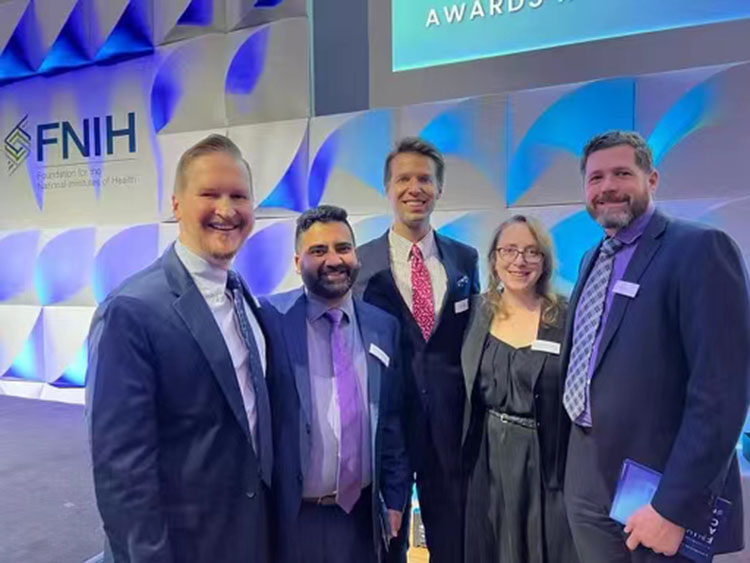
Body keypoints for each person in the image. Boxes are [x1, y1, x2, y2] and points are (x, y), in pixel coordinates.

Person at [561, 130, 750, 562]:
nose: (608, 187)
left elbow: (721, 393)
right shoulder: (592, 258)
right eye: (596, 178)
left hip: (655, 492)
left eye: (622, 173)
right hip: (585, 481)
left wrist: (673, 507)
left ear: (652, 179)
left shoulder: (700, 249)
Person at [86, 134, 272, 562]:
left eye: (239, 196)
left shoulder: (242, 296)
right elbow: (121, 471)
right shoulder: (130, 310)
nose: (226, 209)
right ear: (176, 205)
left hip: (249, 540)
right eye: (210, 194)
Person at [355, 137, 480, 563]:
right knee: (385, 543)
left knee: (453, 541)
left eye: (425, 179)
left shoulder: (465, 259)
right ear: (387, 188)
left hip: (449, 424)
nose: (415, 188)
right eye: (403, 179)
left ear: (439, 189)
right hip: (384, 425)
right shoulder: (360, 263)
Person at [263, 205, 410, 563]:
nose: (334, 259)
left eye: (343, 248)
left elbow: (393, 421)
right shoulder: (268, 320)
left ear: (355, 255)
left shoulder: (383, 326)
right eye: (318, 250)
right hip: (295, 520)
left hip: (363, 518)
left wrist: (395, 499)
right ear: (297, 262)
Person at [462, 215, 578, 563]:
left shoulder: (565, 316)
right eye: (509, 250)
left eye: (531, 251)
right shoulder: (474, 313)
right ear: (494, 259)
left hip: (548, 460)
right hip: (487, 457)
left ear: (544, 261)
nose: (520, 260)